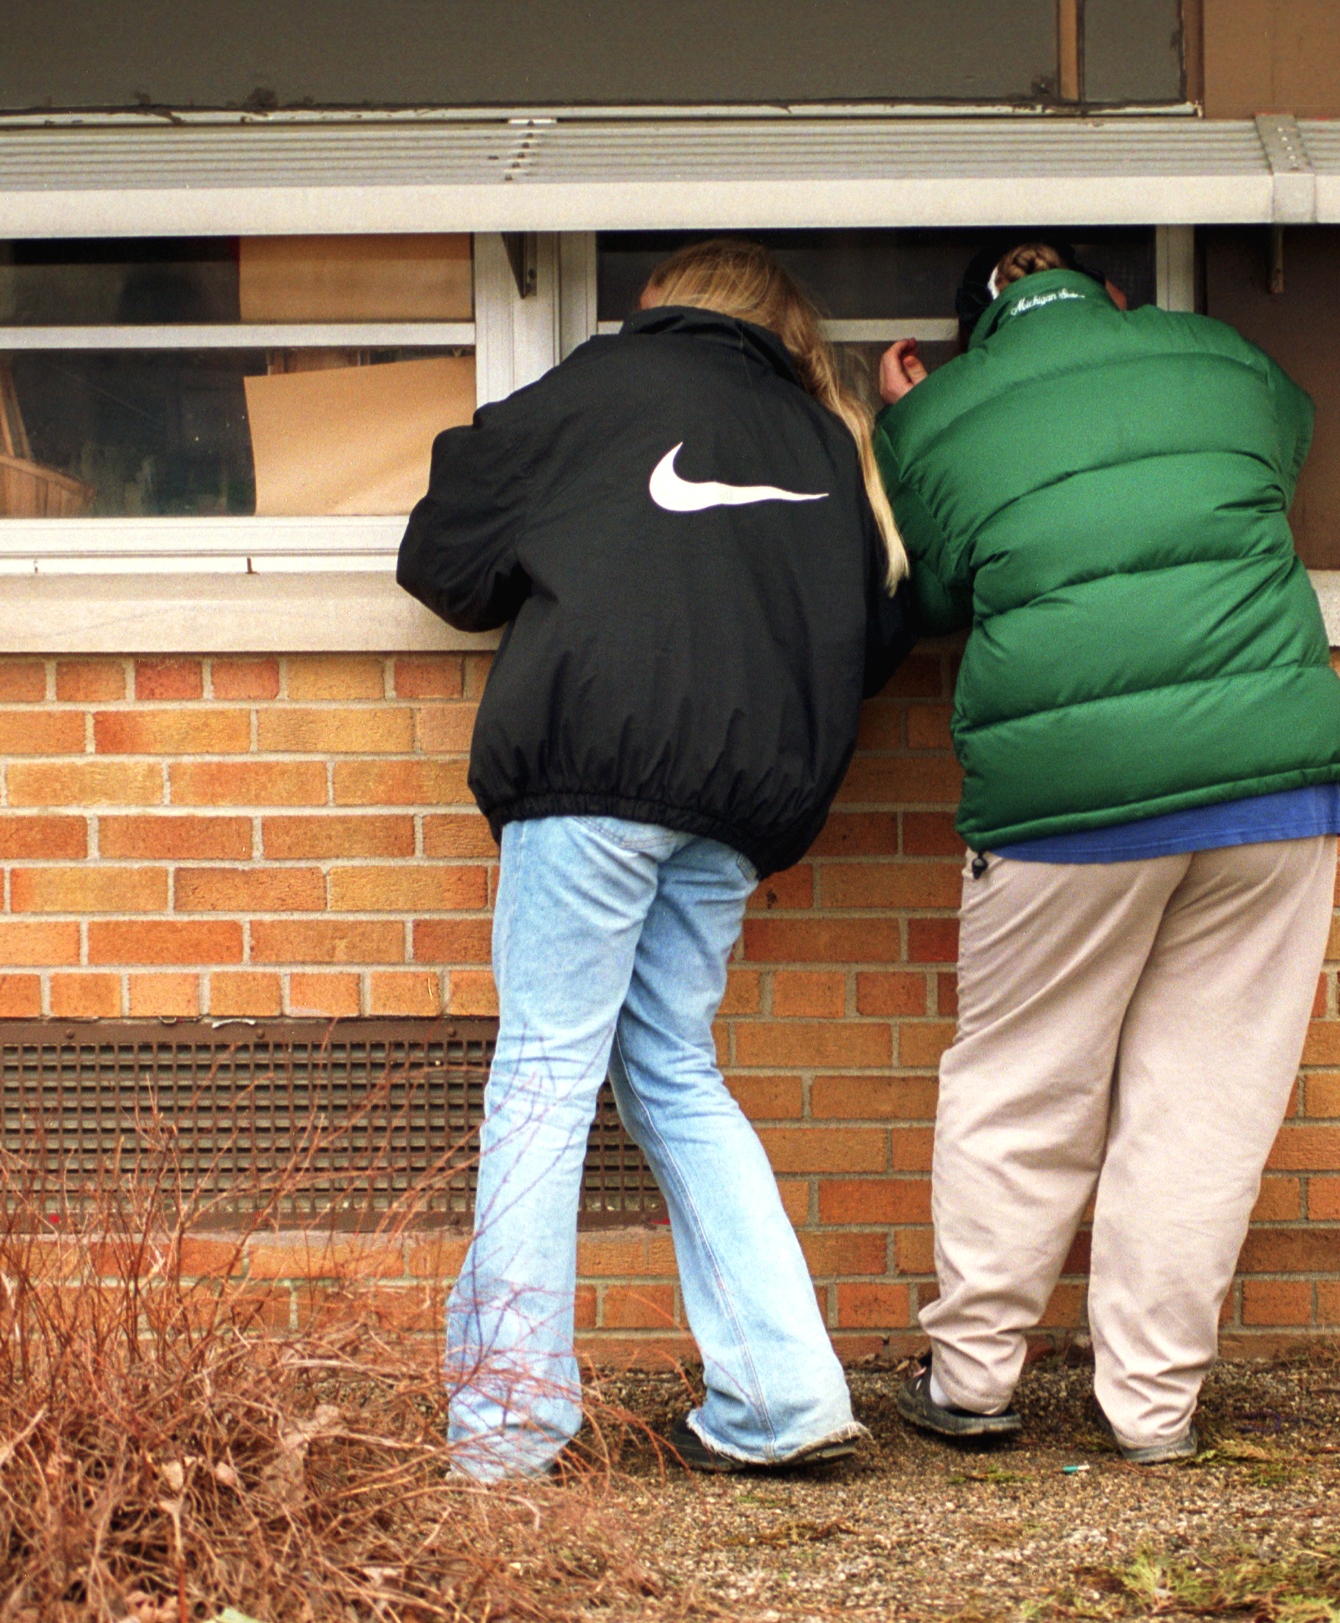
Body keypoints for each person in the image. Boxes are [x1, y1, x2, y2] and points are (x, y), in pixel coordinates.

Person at [397, 237, 911, 1479]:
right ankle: (784, 1399)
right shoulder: (828, 440)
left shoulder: (595, 386)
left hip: (593, 771)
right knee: (672, 1071)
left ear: (662, 308)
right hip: (742, 800)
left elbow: (443, 562)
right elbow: (880, 633)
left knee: (544, 1075)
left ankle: (508, 1422)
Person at [874, 241, 1340, 1465]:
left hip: (1064, 802)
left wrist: (908, 415)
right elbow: (1281, 455)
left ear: (971, 332)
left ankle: (975, 1382)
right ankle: (1152, 1412)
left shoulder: (934, 416)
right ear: (1119, 299)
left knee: (1021, 1086)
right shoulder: (1218, 355)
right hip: (1271, 787)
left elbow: (929, 594)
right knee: (1205, 1106)